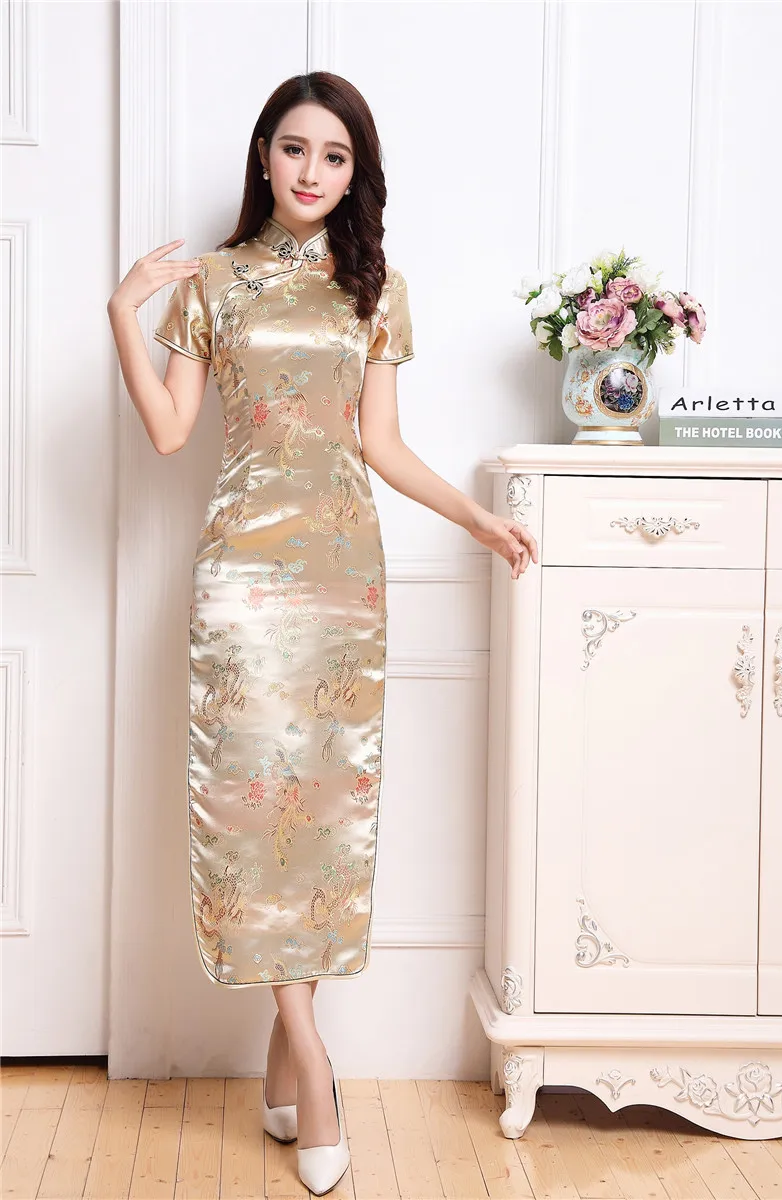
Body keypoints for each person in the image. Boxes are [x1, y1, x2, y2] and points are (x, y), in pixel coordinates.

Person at [107, 71, 537, 1195]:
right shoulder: (213, 283)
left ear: (355, 174)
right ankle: (313, 1059)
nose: (311, 171)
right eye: (295, 149)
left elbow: (380, 446)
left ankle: (282, 1053)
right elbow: (170, 433)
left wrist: (476, 519)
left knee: (322, 821)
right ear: (264, 156)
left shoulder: (374, 288)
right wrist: (121, 314)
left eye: (334, 156)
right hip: (240, 583)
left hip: (344, 582)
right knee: (254, 816)